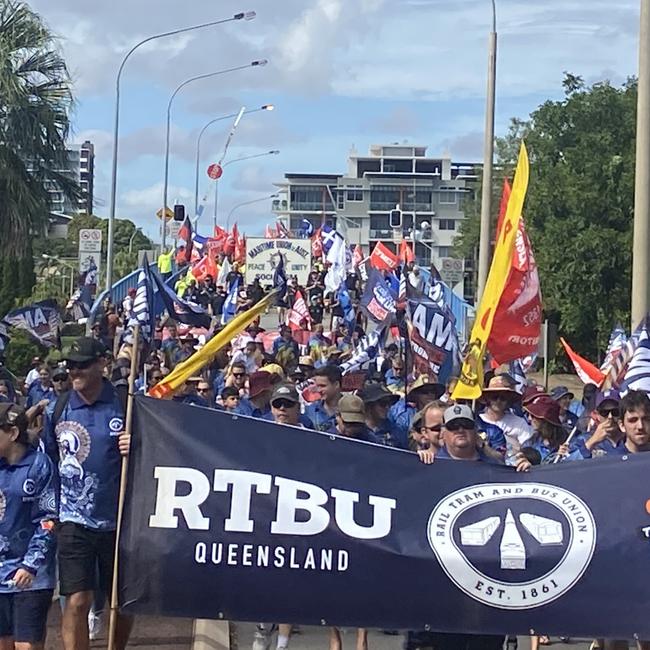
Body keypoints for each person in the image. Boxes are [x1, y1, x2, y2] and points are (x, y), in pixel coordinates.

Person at [42, 337, 132, 650]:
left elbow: (155, 456)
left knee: (120, 602)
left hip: (118, 520)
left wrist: (137, 446)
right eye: (70, 365)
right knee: (77, 601)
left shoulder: (126, 403)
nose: (74, 371)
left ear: (101, 363)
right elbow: (49, 462)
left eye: (82, 364)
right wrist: (50, 512)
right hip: (72, 520)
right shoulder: (59, 407)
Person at [0, 403, 57, 650]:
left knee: (26, 645)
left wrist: (31, 563)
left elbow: (48, 520)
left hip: (30, 576)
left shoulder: (40, 466)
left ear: (12, 433)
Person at [477, 375, 532, 463]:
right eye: (494, 397)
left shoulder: (519, 423)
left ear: (508, 400)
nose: (498, 401)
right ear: (487, 399)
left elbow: (529, 449)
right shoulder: (477, 422)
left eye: (503, 398)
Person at [573, 389, 624, 459]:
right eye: (604, 412)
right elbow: (567, 464)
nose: (610, 417)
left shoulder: (631, 438)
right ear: (597, 414)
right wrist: (592, 442)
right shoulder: (583, 440)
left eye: (615, 411)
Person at [305, 366, 343, 433]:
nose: (319, 390)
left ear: (336, 385)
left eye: (323, 386)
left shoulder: (352, 410)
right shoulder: (311, 410)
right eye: (317, 386)